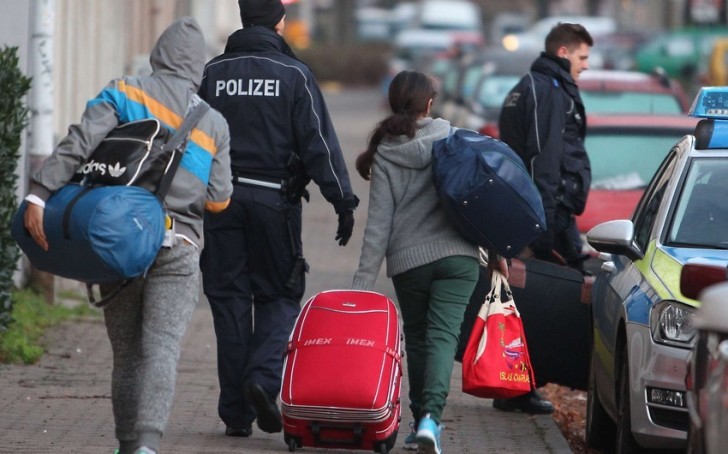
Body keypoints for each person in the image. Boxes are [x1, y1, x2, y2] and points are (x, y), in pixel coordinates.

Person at [22, 17, 233, 454]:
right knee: (161, 348)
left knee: (127, 351)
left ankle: (123, 444)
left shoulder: (123, 90)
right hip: (179, 245)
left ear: (158, 54)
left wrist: (41, 192)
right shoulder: (213, 122)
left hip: (116, 238)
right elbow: (218, 201)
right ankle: (147, 445)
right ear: (199, 66)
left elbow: (79, 143)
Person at [197, 0, 359, 438]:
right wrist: (341, 199)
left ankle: (235, 413)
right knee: (279, 296)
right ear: (277, 23)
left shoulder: (213, 73)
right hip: (274, 204)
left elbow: (192, 140)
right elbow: (318, 142)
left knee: (229, 301)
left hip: (220, 204)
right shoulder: (294, 75)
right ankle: (263, 379)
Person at [351, 70, 508, 454]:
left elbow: (378, 225)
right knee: (442, 338)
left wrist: (361, 286)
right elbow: (480, 202)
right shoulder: (453, 138)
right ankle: (429, 422)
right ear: (429, 104)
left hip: (408, 262)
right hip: (458, 258)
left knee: (419, 340)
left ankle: (419, 417)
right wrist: (497, 253)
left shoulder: (386, 151)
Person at [494, 22, 593, 414]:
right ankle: (517, 390)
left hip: (539, 211)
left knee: (527, 303)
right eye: (583, 57)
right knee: (542, 304)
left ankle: (518, 388)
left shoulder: (531, 87)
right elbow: (543, 160)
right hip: (543, 214)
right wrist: (547, 224)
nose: (587, 66)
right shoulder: (547, 91)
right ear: (564, 53)